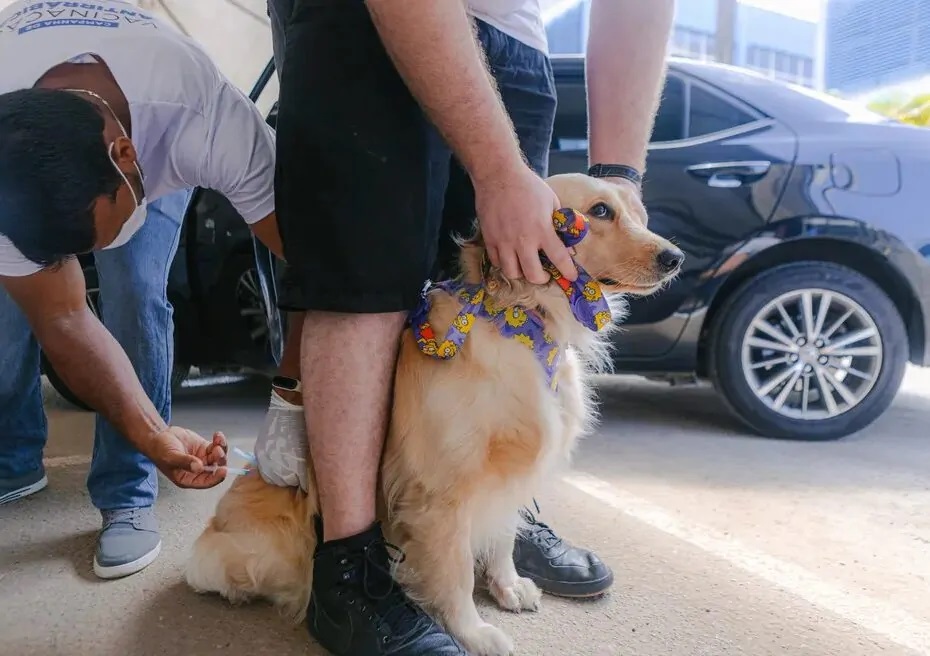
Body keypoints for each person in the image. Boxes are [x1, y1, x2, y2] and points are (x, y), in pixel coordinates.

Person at [271, 0, 676, 653]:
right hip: (365, 21)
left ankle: (494, 530)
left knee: (512, 298)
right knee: (365, 288)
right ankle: (349, 568)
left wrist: (622, 173)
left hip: (516, 41)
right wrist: (495, 168)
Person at [0, 0, 284, 579]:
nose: (89, 259)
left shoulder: (204, 119)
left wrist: (298, 403)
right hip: (51, 139)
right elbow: (65, 320)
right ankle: (13, 458)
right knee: (15, 308)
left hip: (154, 119)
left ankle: (127, 492)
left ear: (126, 156)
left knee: (133, 288)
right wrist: (159, 437)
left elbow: (314, 265)